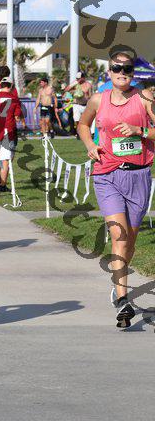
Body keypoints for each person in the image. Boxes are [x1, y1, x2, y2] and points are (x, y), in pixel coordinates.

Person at [78, 51, 155, 328]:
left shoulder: (145, 98)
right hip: (107, 175)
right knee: (119, 237)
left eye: (127, 68)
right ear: (109, 72)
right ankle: (123, 301)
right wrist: (90, 145)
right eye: (117, 68)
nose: (122, 72)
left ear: (133, 72)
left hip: (139, 176)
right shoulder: (98, 99)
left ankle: (117, 284)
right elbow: (83, 124)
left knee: (129, 241)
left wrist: (139, 131)